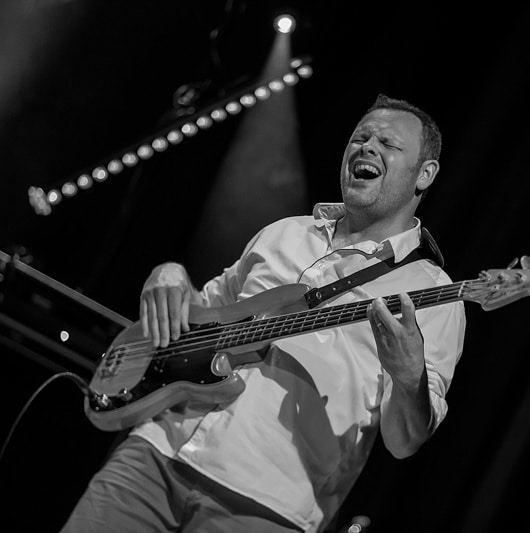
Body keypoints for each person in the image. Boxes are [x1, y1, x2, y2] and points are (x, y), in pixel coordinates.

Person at [61, 94, 467, 533]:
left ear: (425, 174)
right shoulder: (284, 232)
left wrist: (409, 379)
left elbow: (405, 441)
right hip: (157, 453)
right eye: (360, 138)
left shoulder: (433, 294)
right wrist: (170, 274)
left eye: (387, 143)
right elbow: (201, 313)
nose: (367, 147)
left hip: (266, 504)